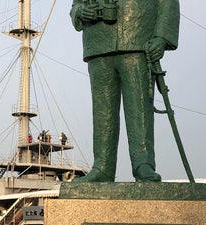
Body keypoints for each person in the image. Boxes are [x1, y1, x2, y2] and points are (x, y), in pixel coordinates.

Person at [70, 0, 180, 182]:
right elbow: (76, 5)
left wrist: (162, 38)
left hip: (138, 38)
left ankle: (143, 164)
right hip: (98, 42)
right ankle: (102, 166)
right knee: (102, 112)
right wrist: (81, 12)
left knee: (140, 108)